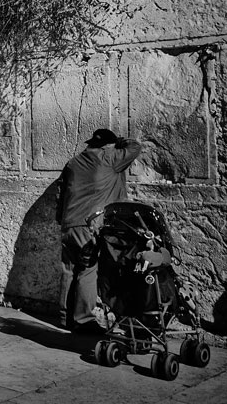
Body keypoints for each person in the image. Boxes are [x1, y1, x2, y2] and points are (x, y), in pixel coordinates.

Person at [56, 128, 143, 334]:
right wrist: (119, 141)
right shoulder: (110, 157)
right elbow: (135, 147)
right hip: (89, 225)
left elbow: (62, 192)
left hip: (69, 224)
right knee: (88, 270)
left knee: (69, 270)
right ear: (107, 146)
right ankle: (83, 320)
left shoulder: (73, 163)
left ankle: (64, 317)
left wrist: (61, 220)